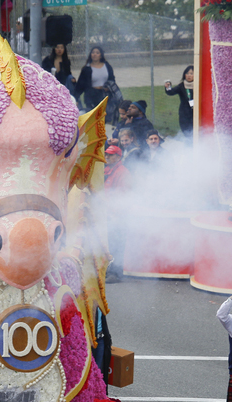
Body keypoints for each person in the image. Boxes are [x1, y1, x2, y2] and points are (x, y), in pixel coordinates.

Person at [103, 145, 129, 284]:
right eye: (106, 154)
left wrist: (114, 214)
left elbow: (122, 196)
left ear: (118, 157)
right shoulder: (108, 170)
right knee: (110, 243)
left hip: (118, 215)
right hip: (108, 213)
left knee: (117, 244)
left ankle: (116, 273)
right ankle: (109, 270)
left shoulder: (122, 172)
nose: (107, 157)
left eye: (110, 155)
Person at [74, 46, 115, 112]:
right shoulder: (86, 68)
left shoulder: (107, 66)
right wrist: (75, 98)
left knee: (105, 116)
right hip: (91, 96)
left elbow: (112, 79)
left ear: (101, 55)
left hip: (105, 94)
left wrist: (109, 88)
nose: (95, 54)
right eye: (93, 52)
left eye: (97, 53)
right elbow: (80, 85)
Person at [165, 65, 194, 138]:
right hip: (185, 114)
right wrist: (168, 87)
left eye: (191, 73)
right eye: (187, 73)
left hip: (196, 113)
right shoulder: (182, 86)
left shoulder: (199, 84)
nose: (189, 75)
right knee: (188, 133)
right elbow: (171, 92)